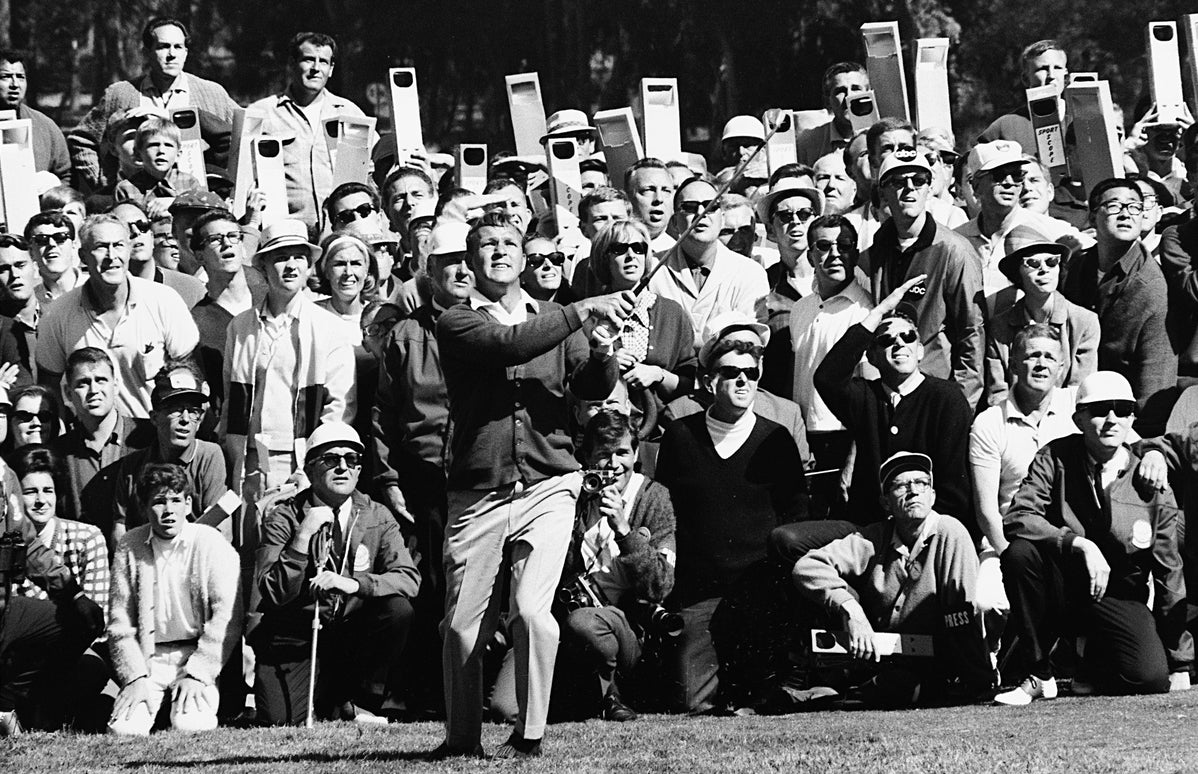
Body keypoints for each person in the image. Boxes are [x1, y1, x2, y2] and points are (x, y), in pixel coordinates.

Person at [434, 211, 632, 759]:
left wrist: (602, 350)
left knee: (530, 610)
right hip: (480, 490)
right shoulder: (457, 322)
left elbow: (588, 388)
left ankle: (531, 736)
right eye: (488, 245)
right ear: (472, 261)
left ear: (523, 257)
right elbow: (508, 346)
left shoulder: (554, 318)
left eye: (510, 244)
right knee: (461, 628)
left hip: (550, 482)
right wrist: (580, 311)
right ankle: (461, 742)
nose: (500, 252)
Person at [997, 372, 1192, 704]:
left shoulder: (1150, 476)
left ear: (1133, 417)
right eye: (1100, 409)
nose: (1112, 419)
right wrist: (1077, 543)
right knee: (1019, 554)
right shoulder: (1054, 457)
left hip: (1118, 594)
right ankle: (1039, 672)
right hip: (1061, 585)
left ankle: (1086, 659)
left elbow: (1168, 570)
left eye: (1122, 409)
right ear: (1079, 418)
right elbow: (1018, 516)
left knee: (1148, 677)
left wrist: (1180, 661)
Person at [655, 325, 807, 713]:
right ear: (708, 380)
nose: (743, 380)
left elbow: (796, 520)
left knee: (756, 696)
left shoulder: (777, 440)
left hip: (759, 595)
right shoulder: (679, 436)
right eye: (730, 372)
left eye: (751, 373)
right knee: (692, 700)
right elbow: (665, 513)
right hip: (698, 593)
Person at [252, 422, 419, 725]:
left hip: (350, 633)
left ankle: (360, 701)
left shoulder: (377, 514)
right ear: (310, 468)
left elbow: (408, 578)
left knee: (397, 609)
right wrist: (302, 537)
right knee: (280, 718)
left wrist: (354, 585)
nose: (342, 467)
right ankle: (327, 699)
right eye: (331, 459)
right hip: (295, 635)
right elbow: (273, 591)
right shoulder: (284, 516)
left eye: (351, 459)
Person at [793, 452, 990, 707]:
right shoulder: (875, 537)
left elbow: (963, 617)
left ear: (933, 496)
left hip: (940, 665)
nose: (913, 491)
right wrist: (850, 608)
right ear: (885, 502)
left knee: (897, 690)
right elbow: (807, 566)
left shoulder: (949, 532)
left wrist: (975, 680)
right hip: (880, 658)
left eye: (922, 483)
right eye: (901, 485)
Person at [371, 221, 471, 712]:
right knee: (432, 585)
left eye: (466, 259)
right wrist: (389, 481)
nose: (460, 269)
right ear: (428, 271)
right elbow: (383, 415)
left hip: (482, 477)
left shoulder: (493, 323)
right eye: (448, 261)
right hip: (424, 480)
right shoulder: (406, 336)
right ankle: (432, 694)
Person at [220, 219, 356, 554]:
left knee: (297, 552)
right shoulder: (241, 327)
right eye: (281, 256)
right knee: (248, 552)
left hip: (301, 461)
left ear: (310, 265)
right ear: (264, 265)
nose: (291, 265)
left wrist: (312, 468)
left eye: (299, 256)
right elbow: (230, 400)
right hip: (250, 460)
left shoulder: (329, 328)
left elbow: (338, 409)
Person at [107, 463, 242, 735]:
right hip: (150, 657)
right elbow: (119, 622)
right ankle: (151, 705)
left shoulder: (210, 543)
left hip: (195, 652)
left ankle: (180, 705)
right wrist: (133, 676)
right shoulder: (130, 545)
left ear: (188, 503)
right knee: (124, 730)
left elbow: (226, 618)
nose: (168, 510)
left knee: (191, 726)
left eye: (176, 500)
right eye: (158, 502)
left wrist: (198, 673)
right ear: (145, 507)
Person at [36, 214, 200, 420]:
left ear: (129, 249)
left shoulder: (164, 300)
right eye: (101, 247)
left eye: (118, 245)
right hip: (92, 442)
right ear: (83, 255)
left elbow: (191, 374)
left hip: (155, 437)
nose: (111, 256)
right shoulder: (57, 314)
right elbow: (49, 390)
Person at [860, 146, 985, 409]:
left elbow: (971, 333)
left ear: (929, 187)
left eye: (918, 181)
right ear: (883, 191)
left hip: (937, 392)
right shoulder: (878, 248)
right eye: (898, 181)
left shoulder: (954, 250)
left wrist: (962, 406)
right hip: (888, 393)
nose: (910, 188)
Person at [970, 324, 1081, 611]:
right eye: (1032, 356)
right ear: (1014, 363)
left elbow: (1124, 437)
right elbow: (986, 511)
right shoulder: (990, 422)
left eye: (1049, 357)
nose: (1041, 364)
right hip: (1010, 541)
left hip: (1073, 540)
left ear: (1061, 367)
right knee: (986, 602)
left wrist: (1152, 452)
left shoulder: (1078, 408)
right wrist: (1013, 560)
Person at [69, 17, 238, 193]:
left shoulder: (212, 93)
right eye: (163, 47)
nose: (172, 54)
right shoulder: (120, 94)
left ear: (186, 53)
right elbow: (81, 139)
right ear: (146, 52)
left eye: (178, 47)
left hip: (193, 196)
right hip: (134, 198)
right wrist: (101, 181)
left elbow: (242, 136)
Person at [1060, 178, 1175, 404]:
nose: (1125, 214)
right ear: (1092, 216)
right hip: (1075, 397)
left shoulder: (1150, 285)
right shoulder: (1077, 267)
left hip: (1121, 411)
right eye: (1113, 206)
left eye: (1134, 207)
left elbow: (1156, 373)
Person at [247, 32, 373, 238]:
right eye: (308, 60)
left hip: (340, 232)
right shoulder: (262, 113)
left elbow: (368, 172)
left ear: (331, 69)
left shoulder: (349, 113)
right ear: (292, 63)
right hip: (284, 233)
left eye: (323, 62)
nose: (316, 68)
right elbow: (244, 174)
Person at [789, 215, 873, 511]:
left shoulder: (866, 311)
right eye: (824, 246)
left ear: (856, 253)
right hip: (801, 436)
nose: (835, 254)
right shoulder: (799, 309)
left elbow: (867, 396)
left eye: (844, 245)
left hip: (842, 439)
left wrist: (852, 459)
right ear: (811, 255)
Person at [113, 362, 229, 541]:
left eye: (193, 411)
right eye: (175, 409)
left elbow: (219, 526)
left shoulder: (209, 456)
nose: (185, 419)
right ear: (154, 417)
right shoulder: (132, 465)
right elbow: (120, 527)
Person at [984, 226, 1098, 406]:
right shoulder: (1000, 325)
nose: (1044, 270)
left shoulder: (1084, 321)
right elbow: (998, 391)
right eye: (1033, 264)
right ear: (1017, 274)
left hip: (1065, 418)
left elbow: (1080, 390)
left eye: (1052, 262)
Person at [589, 219, 696, 409]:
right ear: (604, 257)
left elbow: (691, 383)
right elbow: (579, 383)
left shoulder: (672, 313)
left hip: (662, 429)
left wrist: (658, 374)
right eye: (619, 249)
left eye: (638, 248)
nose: (631, 255)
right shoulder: (589, 314)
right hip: (607, 428)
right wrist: (606, 363)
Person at [647, 178, 769, 341]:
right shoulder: (651, 268)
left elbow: (749, 340)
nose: (701, 213)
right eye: (690, 207)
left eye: (711, 207)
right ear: (675, 222)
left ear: (722, 218)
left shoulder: (750, 273)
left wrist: (677, 342)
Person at [954, 140, 1080, 297]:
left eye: (1017, 175)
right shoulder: (957, 240)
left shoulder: (1052, 231)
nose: (1009, 183)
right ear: (976, 185)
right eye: (999, 175)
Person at [50, 347, 149, 541]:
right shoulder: (58, 453)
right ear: (68, 393)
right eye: (83, 383)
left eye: (101, 380)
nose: (94, 390)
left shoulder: (146, 438)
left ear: (116, 385)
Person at [11, 444, 110, 620]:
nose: (41, 500)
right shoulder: (9, 545)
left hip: (84, 644)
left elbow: (97, 613)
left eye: (48, 491)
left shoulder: (87, 538)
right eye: (30, 492)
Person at [188, 208, 267, 405]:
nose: (226, 244)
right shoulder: (196, 322)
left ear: (243, 247)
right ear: (199, 256)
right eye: (215, 239)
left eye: (233, 236)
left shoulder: (271, 298)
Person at [978, 40, 1069, 155]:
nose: (1051, 76)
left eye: (1057, 68)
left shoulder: (1084, 120)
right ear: (1025, 79)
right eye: (1043, 69)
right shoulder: (1005, 127)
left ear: (1066, 77)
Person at [112, 201, 206, 306]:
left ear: (151, 236)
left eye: (142, 226)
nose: (136, 232)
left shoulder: (190, 288)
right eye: (126, 228)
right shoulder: (107, 294)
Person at [0, 49, 70, 182]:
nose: (15, 85)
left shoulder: (45, 126)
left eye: (20, 77)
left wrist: (51, 196)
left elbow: (66, 175)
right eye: (6, 77)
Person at [113, 116, 202, 205]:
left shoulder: (189, 182)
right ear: (138, 154)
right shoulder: (126, 188)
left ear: (178, 155)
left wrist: (173, 204)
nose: (161, 151)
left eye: (168, 145)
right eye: (153, 145)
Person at [796, 62, 869, 165]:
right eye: (840, 91)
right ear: (827, 100)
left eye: (856, 89)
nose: (849, 96)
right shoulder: (808, 143)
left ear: (868, 94)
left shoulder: (881, 138)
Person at [0, 233, 40, 384]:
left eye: (20, 265)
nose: (14, 275)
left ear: (35, 269)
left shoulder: (56, 316)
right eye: (3, 269)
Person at [24, 210, 82, 306]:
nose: (51, 244)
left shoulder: (97, 289)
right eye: (42, 239)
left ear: (73, 244)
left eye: (60, 237)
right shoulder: (29, 304)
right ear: (31, 250)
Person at [624, 158, 677, 256]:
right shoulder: (613, 249)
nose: (659, 199)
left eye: (666, 191)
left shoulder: (678, 253)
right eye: (648, 190)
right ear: (627, 198)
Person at [6, 384, 62, 454]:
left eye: (44, 416)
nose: (36, 423)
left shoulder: (68, 462)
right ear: (9, 421)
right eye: (24, 415)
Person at [521, 235, 575, 304]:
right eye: (536, 260)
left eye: (555, 258)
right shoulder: (516, 312)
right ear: (521, 274)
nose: (548, 264)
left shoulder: (578, 307)